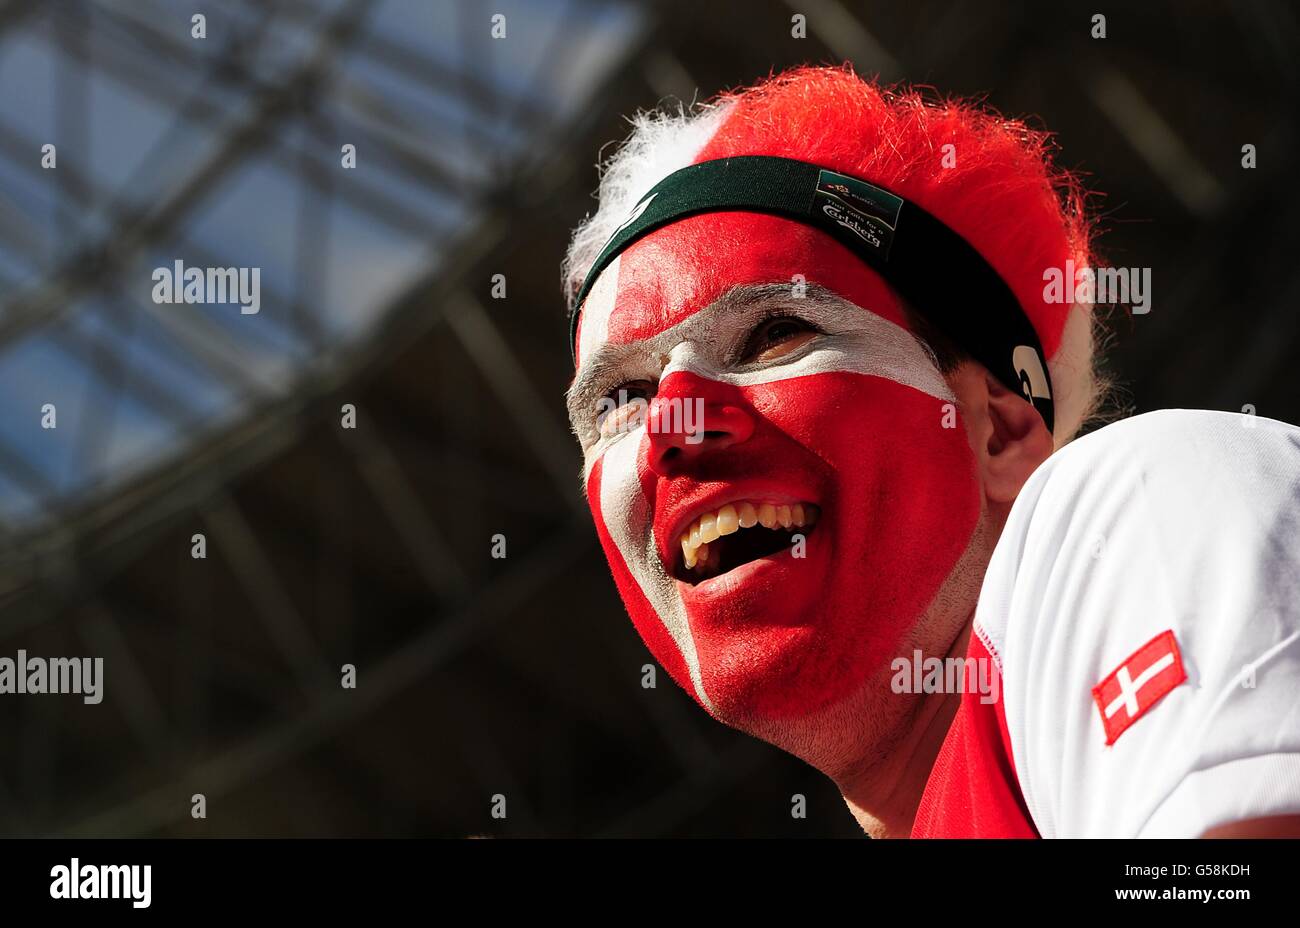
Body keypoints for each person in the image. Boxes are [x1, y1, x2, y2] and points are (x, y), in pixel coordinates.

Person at [560, 65, 1300, 837]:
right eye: (621, 401)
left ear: (1001, 432)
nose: (671, 430)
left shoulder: (1141, 498)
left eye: (775, 333)